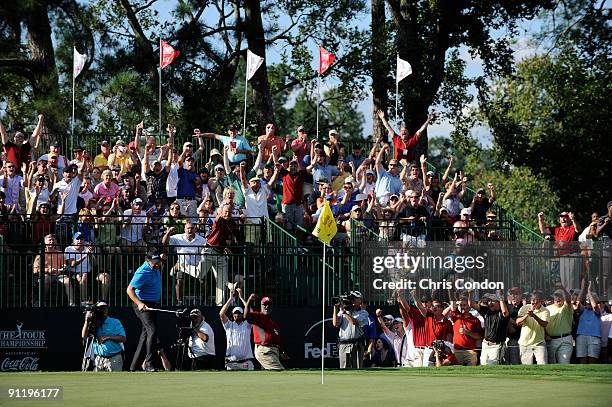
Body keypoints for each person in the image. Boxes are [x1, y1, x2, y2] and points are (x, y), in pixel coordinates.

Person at [126, 250, 163, 372]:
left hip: (152, 303)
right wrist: (140, 304)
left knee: (145, 334)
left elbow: (164, 252)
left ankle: (134, 366)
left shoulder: (156, 266)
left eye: (158, 262)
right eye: (154, 263)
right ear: (147, 261)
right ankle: (149, 364)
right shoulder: (143, 271)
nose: (157, 265)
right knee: (152, 330)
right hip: (142, 304)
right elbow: (129, 290)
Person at [162, 222, 206, 306]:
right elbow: (164, 242)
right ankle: (180, 301)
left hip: (197, 268)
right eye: (188, 228)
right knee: (179, 279)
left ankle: (201, 300)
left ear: (195, 229)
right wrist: (168, 233)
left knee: (204, 280)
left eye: (192, 228)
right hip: (182, 267)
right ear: (184, 229)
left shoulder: (202, 240)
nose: (190, 230)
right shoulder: (178, 237)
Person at [81, 301, 126, 372]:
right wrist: (87, 321)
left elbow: (123, 338)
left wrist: (108, 337)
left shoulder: (115, 322)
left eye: (105, 308)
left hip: (114, 358)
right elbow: (84, 336)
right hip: (98, 359)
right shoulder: (93, 322)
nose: (104, 310)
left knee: (115, 381)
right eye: (101, 308)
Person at [469, 291, 509, 365]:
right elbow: (471, 304)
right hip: (485, 344)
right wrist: (470, 294)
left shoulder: (501, 313)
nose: (490, 303)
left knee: (493, 365)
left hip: (496, 345)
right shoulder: (486, 311)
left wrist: (500, 297)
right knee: (483, 364)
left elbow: (504, 312)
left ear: (498, 302)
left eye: (492, 301)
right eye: (489, 301)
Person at [244, 294, 284, 370]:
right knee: (279, 371)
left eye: (269, 305)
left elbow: (276, 338)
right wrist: (249, 300)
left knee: (269, 377)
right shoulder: (258, 316)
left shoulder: (272, 321)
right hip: (265, 351)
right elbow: (246, 316)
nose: (267, 307)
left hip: (274, 351)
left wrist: (281, 351)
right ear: (261, 306)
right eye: (264, 305)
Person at [219, 289, 254, 370]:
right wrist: (231, 298)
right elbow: (221, 314)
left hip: (246, 362)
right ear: (232, 314)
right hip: (231, 362)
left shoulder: (247, 325)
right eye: (235, 313)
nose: (237, 315)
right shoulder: (229, 325)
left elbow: (252, 313)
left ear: (242, 315)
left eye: (239, 313)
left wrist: (241, 298)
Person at [332, 292, 369, 369]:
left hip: (357, 344)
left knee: (358, 368)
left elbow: (354, 322)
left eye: (355, 298)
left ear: (360, 300)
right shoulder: (342, 312)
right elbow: (335, 323)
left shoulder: (363, 312)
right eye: (352, 298)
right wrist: (335, 308)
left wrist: (344, 312)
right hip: (344, 344)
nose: (353, 300)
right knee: (344, 369)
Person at [448, 295, 484, 366]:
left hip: (470, 351)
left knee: (471, 370)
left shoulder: (475, 320)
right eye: (460, 305)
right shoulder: (456, 316)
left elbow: (480, 336)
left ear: (469, 306)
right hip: (457, 351)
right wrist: (450, 287)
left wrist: (468, 333)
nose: (462, 307)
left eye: (464, 305)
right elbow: (452, 305)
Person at [516, 291, 550, 365]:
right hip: (525, 343)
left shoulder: (545, 311)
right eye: (532, 299)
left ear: (541, 301)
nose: (533, 302)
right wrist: (527, 315)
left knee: (543, 364)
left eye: (535, 299)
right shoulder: (524, 308)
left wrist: (534, 315)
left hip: (539, 343)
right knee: (526, 368)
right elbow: (518, 322)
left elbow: (544, 324)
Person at [545, 284, 574, 364]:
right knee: (552, 364)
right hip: (550, 340)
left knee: (564, 362)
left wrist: (563, 289)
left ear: (563, 297)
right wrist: (545, 334)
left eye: (560, 296)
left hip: (565, 339)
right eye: (556, 296)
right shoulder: (547, 309)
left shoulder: (567, 307)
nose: (557, 298)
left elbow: (568, 299)